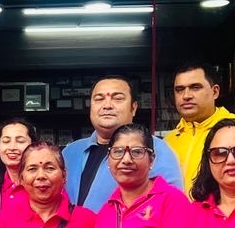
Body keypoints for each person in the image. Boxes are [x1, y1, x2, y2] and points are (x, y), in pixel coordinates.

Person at [63, 77, 184, 209]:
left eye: (118, 98)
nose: (107, 105)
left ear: (134, 107)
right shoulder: (70, 152)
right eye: (99, 99)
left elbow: (172, 206)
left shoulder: (154, 149)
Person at [0, 142, 96, 228]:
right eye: (32, 169)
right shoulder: (4, 221)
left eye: (49, 168)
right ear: (21, 179)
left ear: (64, 175)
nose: (41, 176)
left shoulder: (87, 220)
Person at [165, 63, 235, 191]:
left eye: (195, 87)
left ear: (215, 92)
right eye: (179, 89)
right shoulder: (168, 142)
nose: (186, 96)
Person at [0, 118, 34, 211]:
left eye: (20, 141)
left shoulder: (43, 184)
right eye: (6, 141)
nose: (12, 147)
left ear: (33, 147)